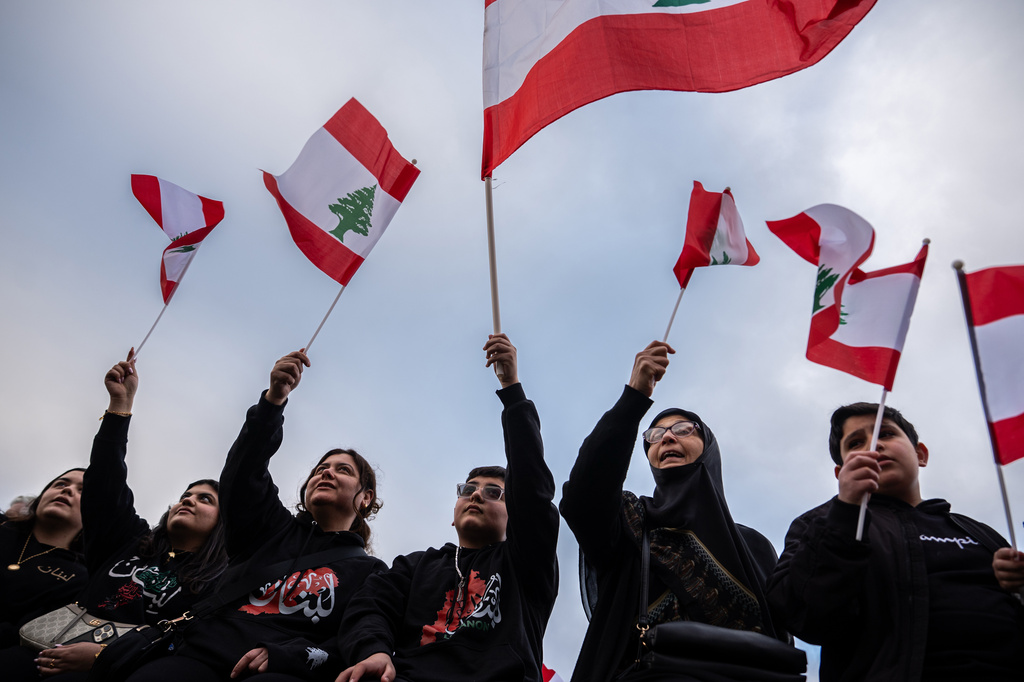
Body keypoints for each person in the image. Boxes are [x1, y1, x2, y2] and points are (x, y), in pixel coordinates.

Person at [126, 349, 386, 682]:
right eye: (320, 468)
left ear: (365, 498)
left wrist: (286, 654)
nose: (326, 473)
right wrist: (273, 402)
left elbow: (356, 635)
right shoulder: (269, 527)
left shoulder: (370, 572)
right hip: (196, 660)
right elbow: (244, 471)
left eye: (343, 470)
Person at [559, 341, 788, 682]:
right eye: (655, 435)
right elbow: (581, 497)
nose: (666, 439)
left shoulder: (753, 546)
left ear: (708, 447)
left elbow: (783, 635)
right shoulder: (630, 523)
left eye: (683, 429)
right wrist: (634, 398)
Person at [336, 333, 558, 682]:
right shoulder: (415, 566)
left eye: (494, 493)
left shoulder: (525, 562)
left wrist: (512, 390)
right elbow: (371, 606)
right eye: (469, 489)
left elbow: (532, 490)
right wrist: (375, 651)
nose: (476, 495)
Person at [766, 402, 1024, 681]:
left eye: (886, 434)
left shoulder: (979, 532)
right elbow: (806, 618)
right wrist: (845, 514)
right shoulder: (819, 524)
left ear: (920, 454)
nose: (873, 446)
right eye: (855, 443)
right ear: (840, 473)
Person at [18, 352, 230, 680]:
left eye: (205, 499)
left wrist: (108, 657)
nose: (188, 500)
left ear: (223, 521)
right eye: (185, 495)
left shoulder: (221, 579)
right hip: (37, 655)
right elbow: (105, 482)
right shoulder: (129, 540)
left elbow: (191, 646)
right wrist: (121, 406)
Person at [0, 469, 87, 649]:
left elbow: (23, 633)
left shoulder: (78, 579)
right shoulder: (3, 529)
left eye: (82, 490)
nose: (68, 490)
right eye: (61, 484)